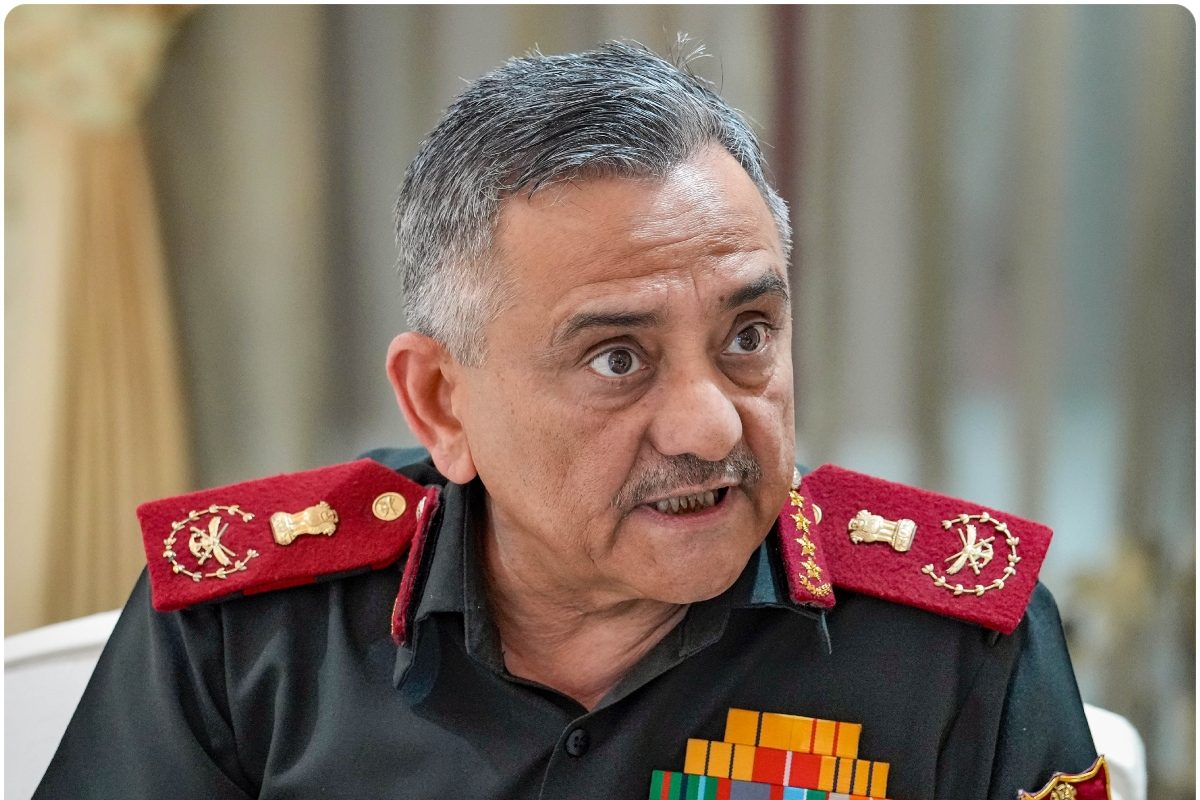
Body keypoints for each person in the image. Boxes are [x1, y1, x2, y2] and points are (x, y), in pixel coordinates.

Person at [35, 41, 1107, 800]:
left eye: (747, 335)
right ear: (441, 402)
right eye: (616, 358)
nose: (709, 428)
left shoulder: (959, 642)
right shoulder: (243, 634)